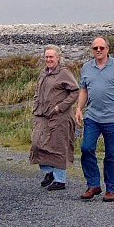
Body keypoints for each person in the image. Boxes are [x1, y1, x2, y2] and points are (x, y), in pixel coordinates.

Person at [75, 36, 114, 201]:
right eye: (95, 48)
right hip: (92, 116)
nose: (99, 50)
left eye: (102, 47)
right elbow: (83, 90)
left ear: (108, 49)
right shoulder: (86, 68)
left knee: (112, 155)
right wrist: (79, 109)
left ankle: (111, 189)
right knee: (86, 148)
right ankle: (93, 185)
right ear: (92, 50)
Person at [29, 45, 80, 191]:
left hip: (60, 117)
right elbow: (38, 92)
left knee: (58, 146)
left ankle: (60, 180)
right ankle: (49, 172)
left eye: (51, 57)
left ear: (58, 58)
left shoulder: (64, 73)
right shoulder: (43, 73)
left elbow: (75, 92)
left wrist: (60, 107)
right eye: (46, 57)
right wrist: (36, 105)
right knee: (37, 144)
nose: (48, 59)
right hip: (42, 116)